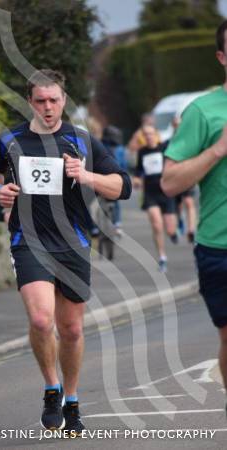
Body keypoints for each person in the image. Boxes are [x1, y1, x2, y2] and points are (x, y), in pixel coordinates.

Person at [0, 69, 132, 435]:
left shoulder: (81, 140)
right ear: (30, 102)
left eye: (54, 100)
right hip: (28, 240)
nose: (48, 107)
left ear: (64, 101)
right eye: (40, 101)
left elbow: (122, 186)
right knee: (41, 321)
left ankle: (73, 400)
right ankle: (52, 387)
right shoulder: (11, 139)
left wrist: (87, 176)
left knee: (72, 329)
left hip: (73, 243)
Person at [161, 21, 227, 413]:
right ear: (222, 58)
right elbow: (169, 182)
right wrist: (217, 150)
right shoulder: (202, 111)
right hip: (221, 245)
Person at [133, 125, 178, 273]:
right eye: (146, 135)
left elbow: (177, 139)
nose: (149, 137)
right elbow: (139, 170)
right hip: (150, 193)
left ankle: (173, 232)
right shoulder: (142, 152)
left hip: (165, 191)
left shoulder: (164, 147)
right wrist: (137, 179)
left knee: (170, 229)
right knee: (157, 225)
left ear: (156, 135)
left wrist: (176, 126)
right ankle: (162, 257)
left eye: (151, 134)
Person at [170, 117, 197, 243]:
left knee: (189, 202)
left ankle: (191, 230)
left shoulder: (190, 140)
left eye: (179, 124)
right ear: (173, 126)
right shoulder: (169, 143)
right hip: (175, 177)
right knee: (179, 205)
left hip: (188, 176)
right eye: (175, 125)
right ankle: (180, 219)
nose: (178, 127)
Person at [102, 125, 128, 235]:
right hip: (116, 176)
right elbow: (124, 165)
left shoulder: (100, 145)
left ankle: (94, 228)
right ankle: (117, 224)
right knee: (116, 199)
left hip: (102, 177)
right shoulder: (120, 149)